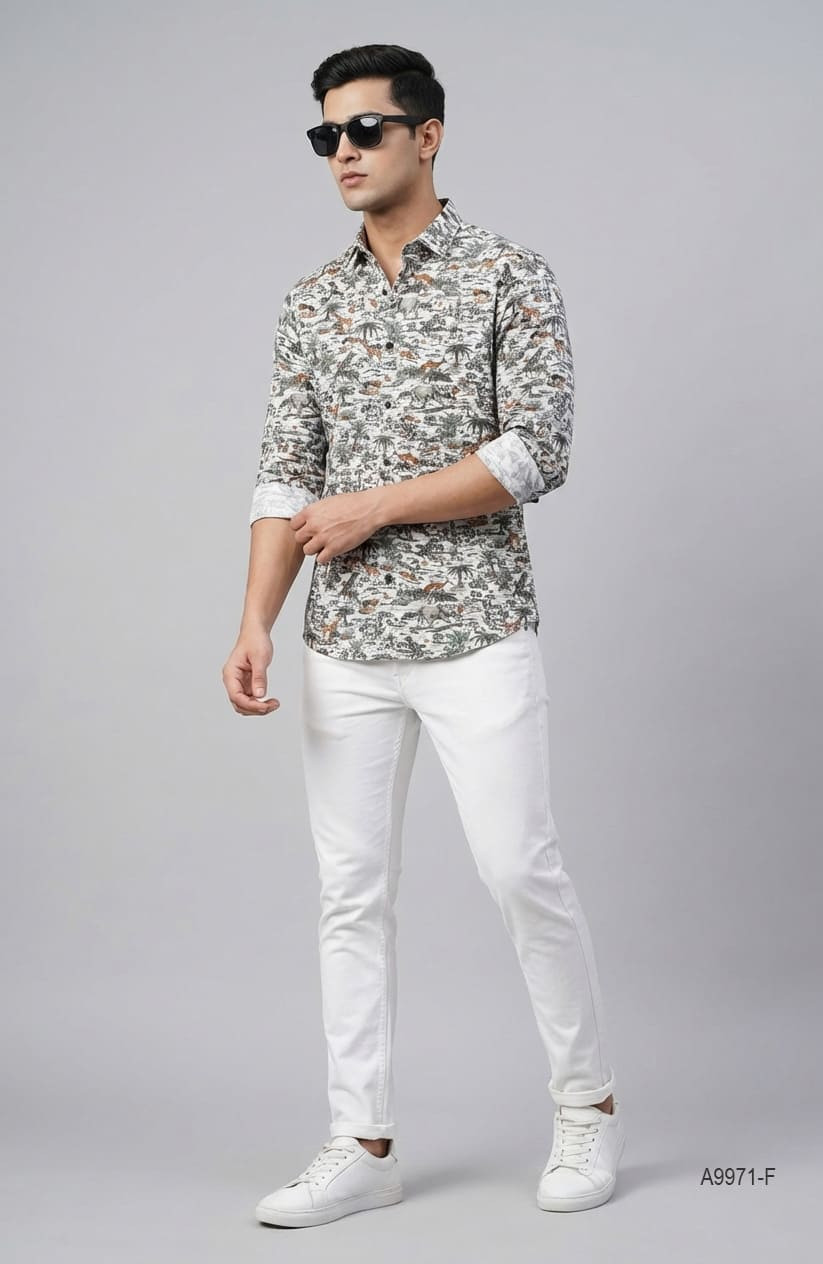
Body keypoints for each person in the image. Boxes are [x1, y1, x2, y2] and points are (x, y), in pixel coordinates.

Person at [222, 42, 625, 1229]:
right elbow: (282, 474)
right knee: (348, 893)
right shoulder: (311, 302)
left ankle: (588, 1106)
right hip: (343, 641)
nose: (342, 153)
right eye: (325, 136)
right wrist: (254, 620)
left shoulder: (508, 274)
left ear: (426, 136)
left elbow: (534, 451)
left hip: (475, 627)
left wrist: (374, 506)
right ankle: (362, 1142)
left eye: (365, 130)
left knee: (518, 869)